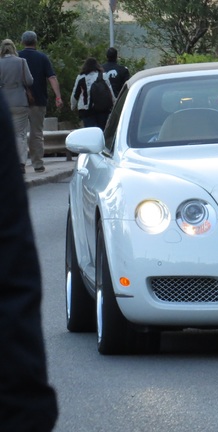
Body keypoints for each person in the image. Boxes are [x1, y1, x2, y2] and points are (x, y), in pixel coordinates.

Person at [0, 90, 58, 431]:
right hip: (23, 104)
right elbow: (11, 270)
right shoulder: (26, 62)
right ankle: (33, 160)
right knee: (29, 132)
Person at [18, 31, 63, 173]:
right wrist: (58, 97)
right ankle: (37, 164)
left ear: (22, 42)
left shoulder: (17, 57)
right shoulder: (42, 58)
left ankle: (21, 164)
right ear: (35, 42)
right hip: (38, 101)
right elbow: (52, 78)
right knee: (36, 133)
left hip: (19, 101)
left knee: (20, 133)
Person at [0, 39, 33, 174]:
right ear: (14, 48)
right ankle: (20, 163)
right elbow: (29, 81)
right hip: (20, 101)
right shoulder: (21, 62)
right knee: (20, 134)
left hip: (3, 103)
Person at [70, 57, 116, 130]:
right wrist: (114, 104)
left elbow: (75, 93)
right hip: (102, 108)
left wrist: (72, 106)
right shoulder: (103, 76)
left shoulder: (81, 77)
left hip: (86, 109)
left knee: (90, 131)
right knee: (101, 130)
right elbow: (110, 90)